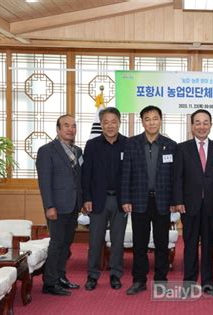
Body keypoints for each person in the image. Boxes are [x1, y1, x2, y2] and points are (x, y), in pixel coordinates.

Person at [121, 105, 177, 295]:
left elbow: (174, 178)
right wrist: (126, 198)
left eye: (155, 118)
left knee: (162, 244)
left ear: (160, 120)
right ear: (142, 121)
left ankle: (161, 281)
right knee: (140, 244)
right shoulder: (132, 143)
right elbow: (125, 173)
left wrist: (174, 200)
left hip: (162, 202)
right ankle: (139, 280)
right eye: (147, 119)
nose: (151, 122)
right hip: (139, 201)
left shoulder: (171, 145)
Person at [172, 109, 213, 296]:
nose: (202, 126)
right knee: (190, 244)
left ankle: (208, 282)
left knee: (208, 244)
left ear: (210, 125)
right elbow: (177, 177)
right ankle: (188, 282)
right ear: (192, 126)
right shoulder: (182, 148)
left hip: (211, 205)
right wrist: (178, 201)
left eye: (205, 122)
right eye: (198, 122)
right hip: (189, 205)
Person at [82, 107, 128, 291]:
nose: (110, 125)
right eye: (106, 122)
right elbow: (86, 175)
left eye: (113, 121)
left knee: (118, 241)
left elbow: (131, 174)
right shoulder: (92, 145)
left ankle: (115, 274)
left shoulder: (128, 143)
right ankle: (92, 275)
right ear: (100, 124)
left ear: (119, 122)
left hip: (120, 201)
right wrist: (86, 198)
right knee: (95, 241)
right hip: (97, 200)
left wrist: (129, 199)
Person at [36, 114, 82, 296]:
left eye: (73, 126)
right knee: (56, 243)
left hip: (73, 205)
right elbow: (44, 182)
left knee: (66, 243)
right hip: (56, 206)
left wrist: (83, 201)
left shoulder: (78, 151)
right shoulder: (47, 151)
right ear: (58, 129)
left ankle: (61, 276)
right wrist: (49, 206)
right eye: (66, 125)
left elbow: (79, 179)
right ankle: (49, 282)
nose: (70, 129)